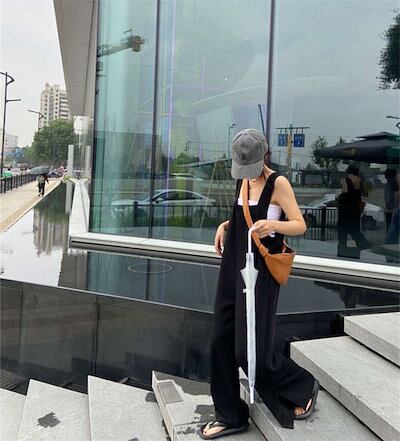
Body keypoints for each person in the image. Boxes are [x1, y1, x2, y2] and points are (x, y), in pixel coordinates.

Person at [199, 129, 319, 439]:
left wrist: (274, 225)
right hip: (233, 266)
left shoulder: (279, 183)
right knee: (220, 340)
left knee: (249, 349)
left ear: (264, 155)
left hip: (260, 272)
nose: (247, 173)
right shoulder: (242, 180)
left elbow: (300, 225)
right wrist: (225, 225)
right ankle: (230, 415)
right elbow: (243, 217)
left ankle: (302, 385)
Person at [336, 165, 369, 255]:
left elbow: (345, 193)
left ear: (348, 172)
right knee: (355, 230)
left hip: (345, 209)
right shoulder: (359, 181)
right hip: (356, 210)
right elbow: (365, 194)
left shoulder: (345, 180)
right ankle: (364, 246)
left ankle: (342, 249)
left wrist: (338, 199)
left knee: (342, 231)